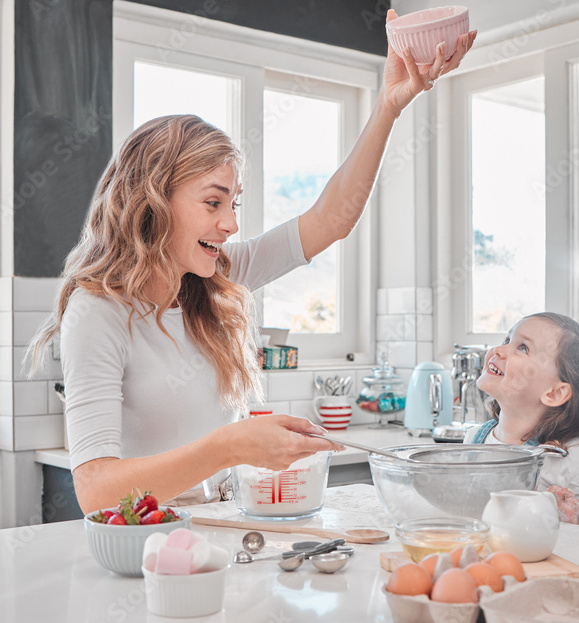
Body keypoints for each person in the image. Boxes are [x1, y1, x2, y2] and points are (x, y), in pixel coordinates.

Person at [28, 11, 478, 513]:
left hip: (226, 532)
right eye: (213, 202)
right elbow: (96, 491)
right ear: (154, 199)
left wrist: (389, 106)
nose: (230, 225)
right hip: (151, 549)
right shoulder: (97, 311)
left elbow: (332, 220)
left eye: (233, 204)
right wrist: (232, 445)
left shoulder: (213, 278)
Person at [464, 313, 579, 533]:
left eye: (523, 348)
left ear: (554, 393)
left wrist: (560, 528)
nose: (498, 350)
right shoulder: (473, 440)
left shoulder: (572, 455)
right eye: (507, 340)